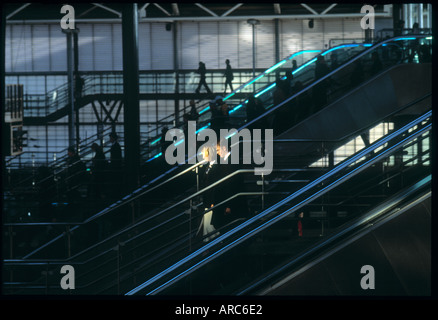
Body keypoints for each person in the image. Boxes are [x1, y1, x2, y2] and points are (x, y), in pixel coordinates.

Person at [109, 132, 123, 196]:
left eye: (110, 138)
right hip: (116, 165)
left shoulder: (115, 146)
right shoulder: (116, 146)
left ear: (113, 138)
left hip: (115, 166)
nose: (110, 139)